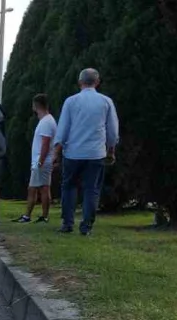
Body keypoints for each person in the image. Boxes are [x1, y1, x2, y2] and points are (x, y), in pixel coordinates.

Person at [52, 68, 120, 236]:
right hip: (96, 153)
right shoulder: (106, 102)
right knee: (92, 189)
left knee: (68, 187)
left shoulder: (71, 101)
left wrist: (56, 152)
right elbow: (112, 130)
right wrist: (111, 150)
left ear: (80, 82)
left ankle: (67, 223)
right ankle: (86, 226)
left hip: (73, 153)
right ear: (97, 82)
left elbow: (63, 129)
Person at [15, 94, 57, 224]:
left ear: (35, 105)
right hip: (40, 160)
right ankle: (29, 215)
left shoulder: (46, 122)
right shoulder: (45, 121)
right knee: (33, 188)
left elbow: (45, 143)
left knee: (42, 188)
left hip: (42, 160)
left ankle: (42, 216)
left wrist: (40, 161)